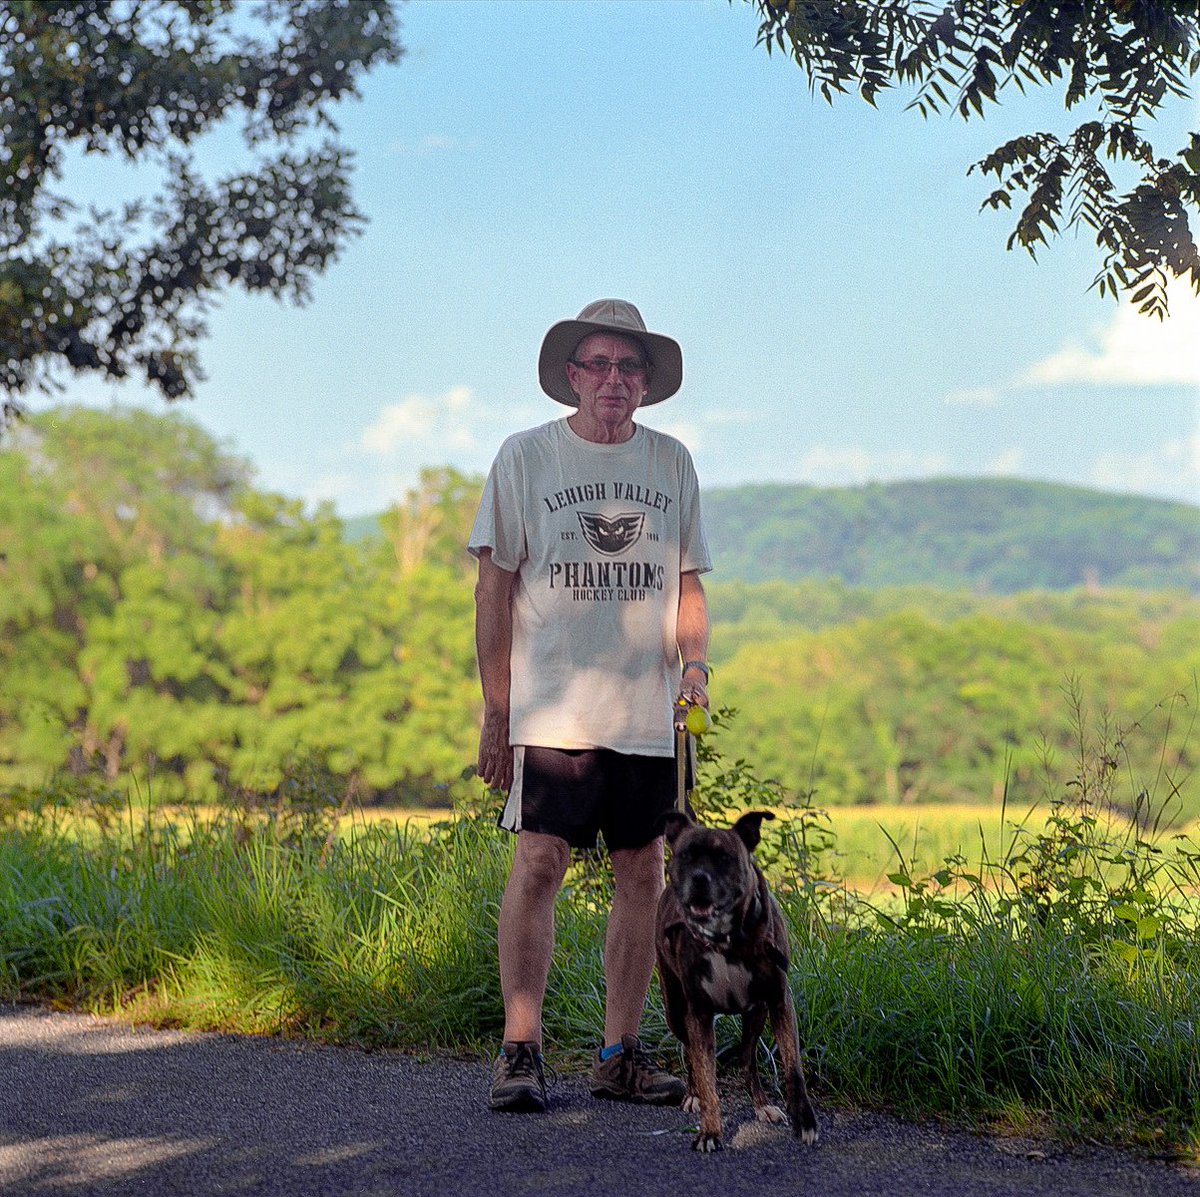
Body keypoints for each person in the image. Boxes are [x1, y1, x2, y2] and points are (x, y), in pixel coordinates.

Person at [468, 299, 712, 1113]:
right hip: (553, 709)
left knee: (643, 873)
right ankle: (520, 1049)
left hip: (644, 713)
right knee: (540, 864)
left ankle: (618, 1054)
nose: (614, 379)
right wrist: (496, 709)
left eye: (629, 367)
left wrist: (698, 665)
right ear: (572, 376)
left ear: (646, 383)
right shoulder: (525, 457)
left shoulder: (672, 463)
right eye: (599, 365)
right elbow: (494, 585)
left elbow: (688, 582)